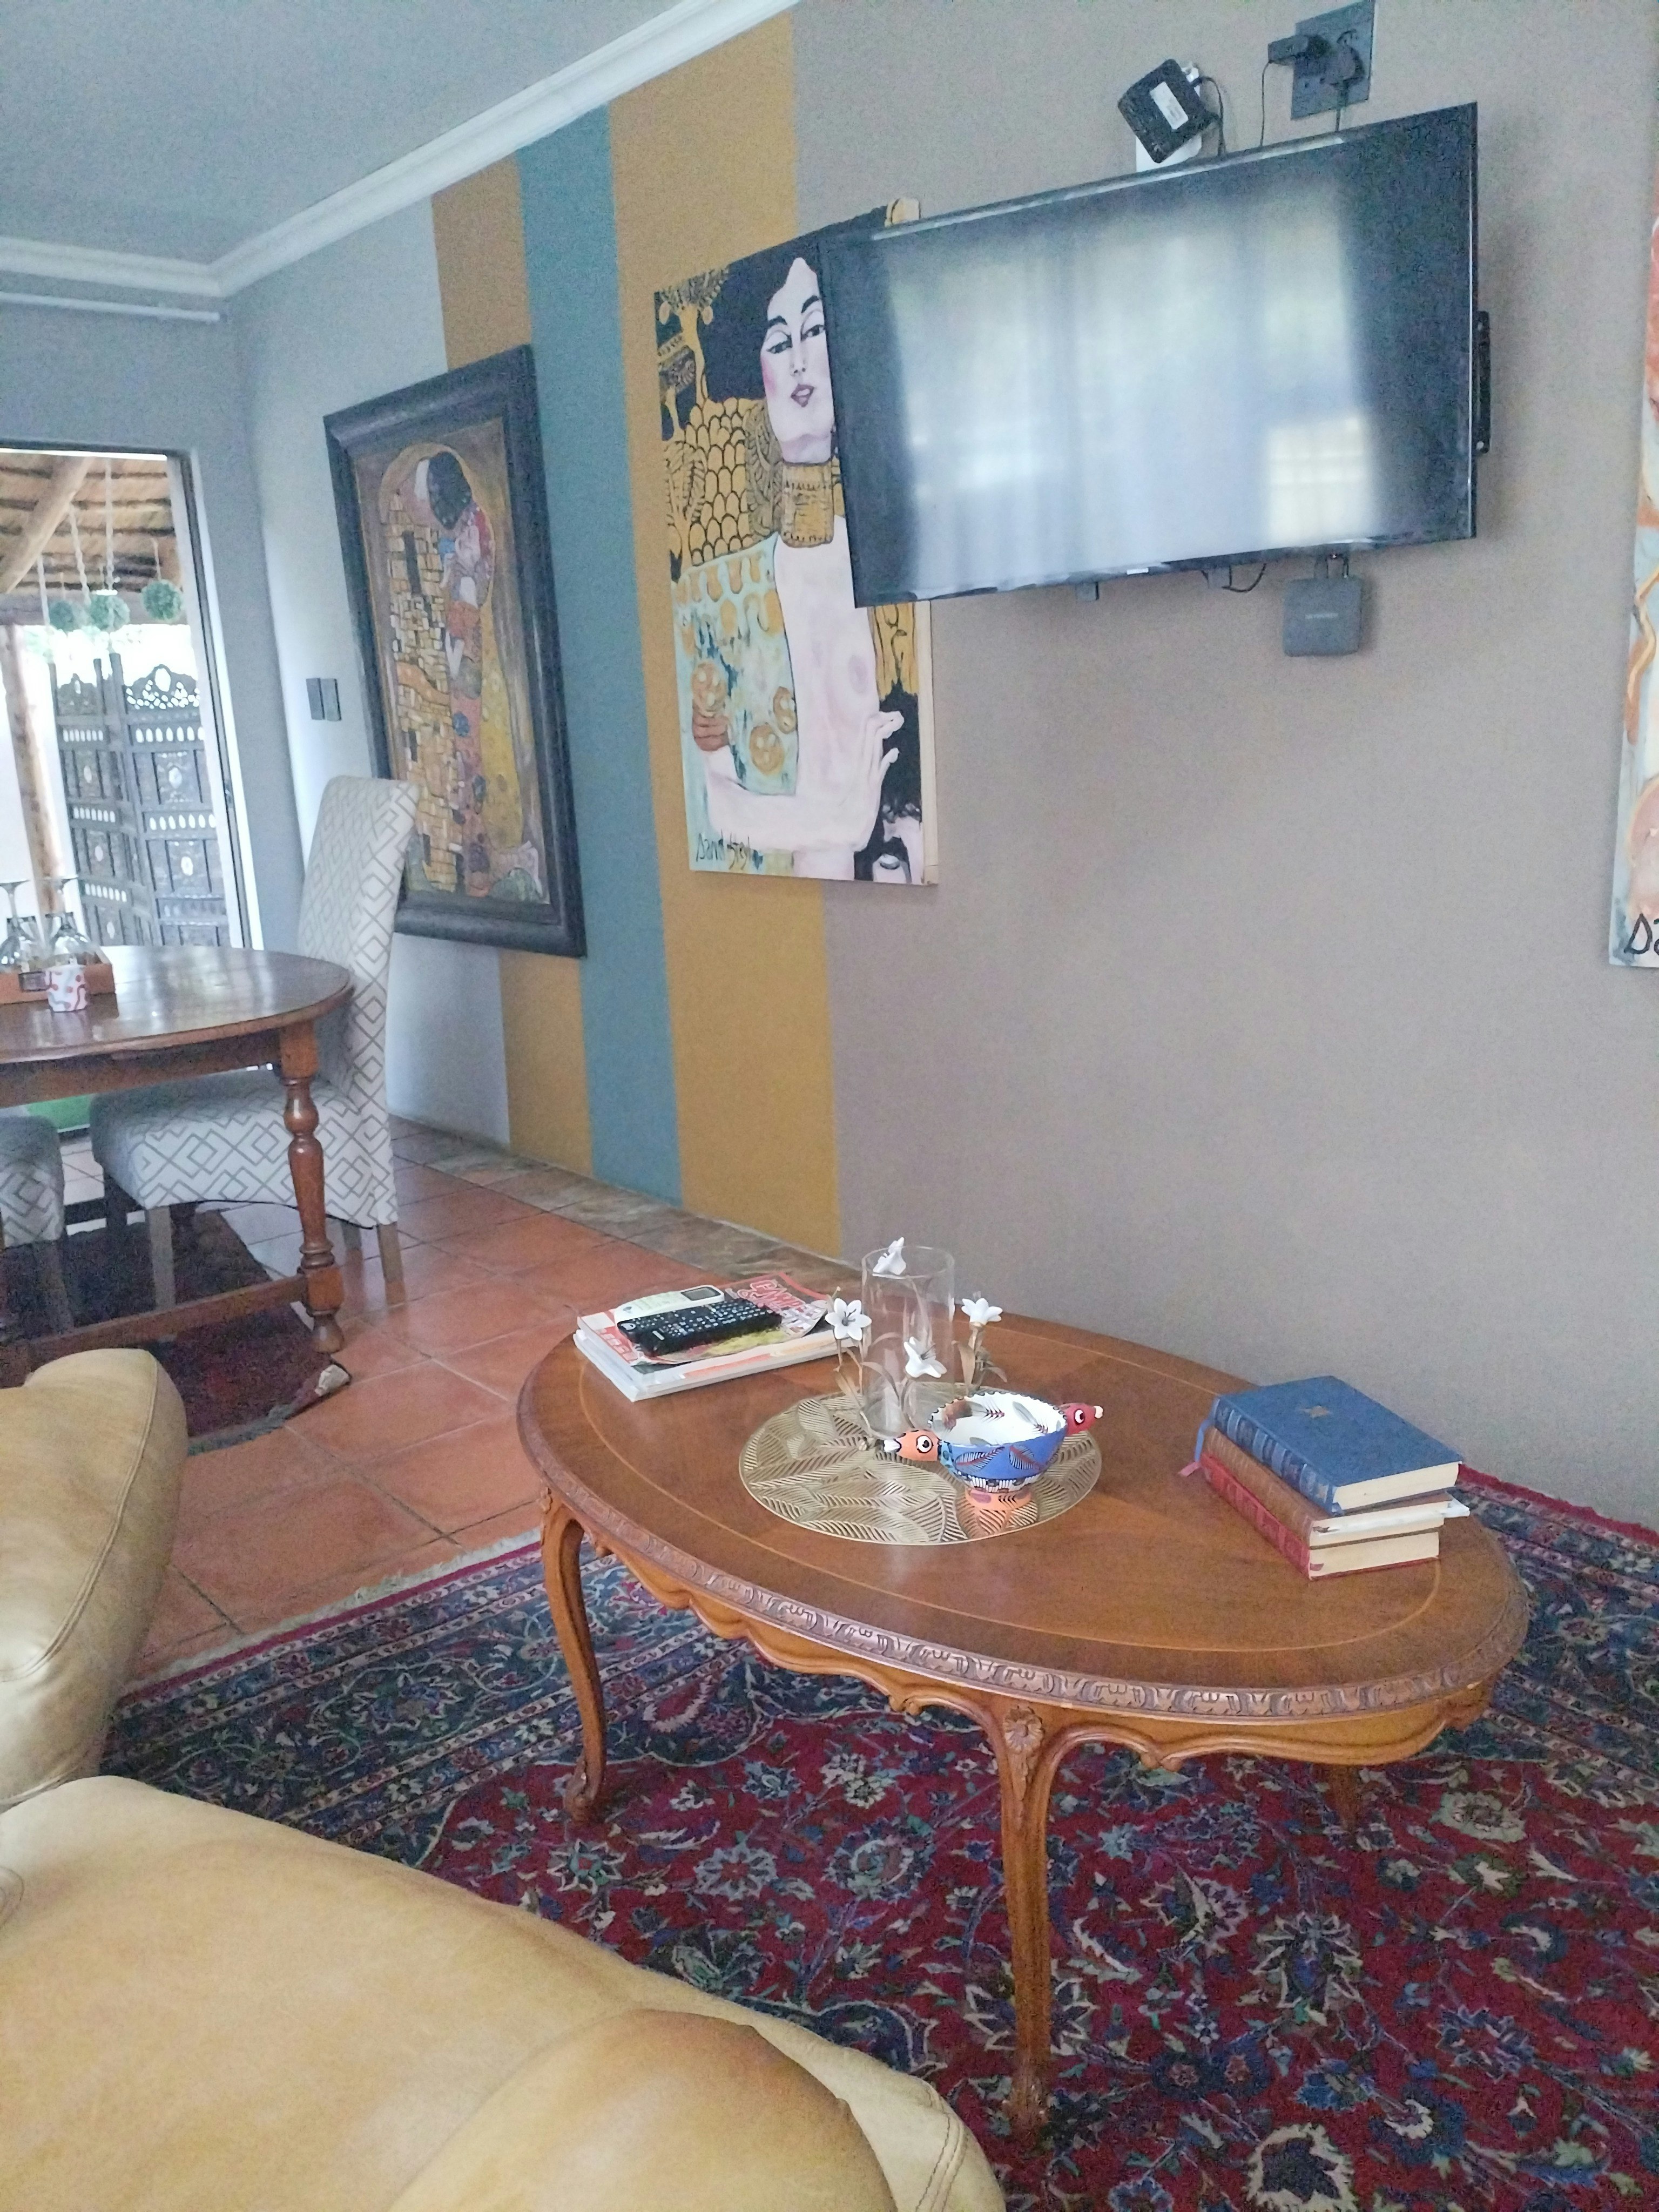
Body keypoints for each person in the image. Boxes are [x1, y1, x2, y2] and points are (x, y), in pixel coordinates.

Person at [696, 253, 902, 878]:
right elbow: (718, 806)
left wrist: (857, 823)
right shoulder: (724, 590)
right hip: (790, 899)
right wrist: (839, 822)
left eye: (815, 331)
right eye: (780, 342)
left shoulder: (892, 565)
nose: (799, 362)